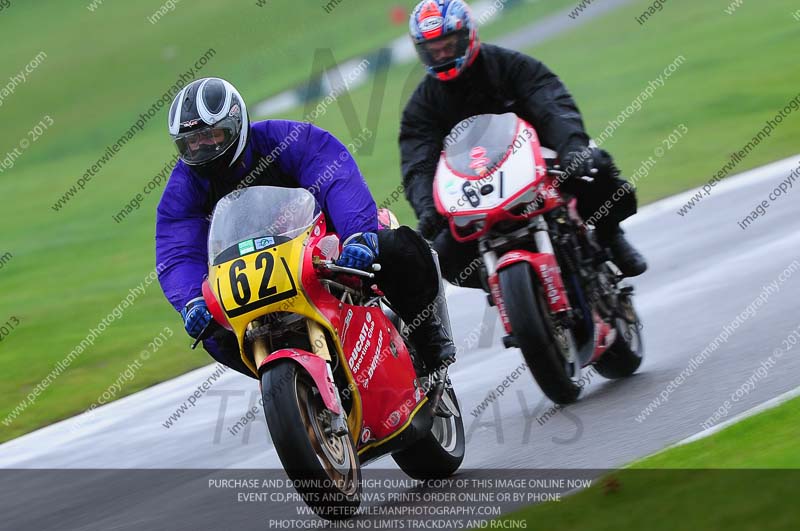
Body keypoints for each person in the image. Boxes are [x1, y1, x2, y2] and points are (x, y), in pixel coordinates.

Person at [156, 77, 455, 378]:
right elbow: (177, 247)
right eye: (190, 143)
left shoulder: (283, 139)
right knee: (211, 333)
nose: (201, 149)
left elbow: (335, 175)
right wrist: (192, 300)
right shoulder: (184, 185)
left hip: (322, 244)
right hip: (249, 272)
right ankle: (285, 382)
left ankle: (427, 334)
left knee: (397, 247)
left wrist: (358, 237)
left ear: (236, 125)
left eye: (211, 136)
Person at [400, 0, 648, 288]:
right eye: (433, 49)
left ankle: (610, 235)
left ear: (468, 35)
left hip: (539, 159)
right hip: (475, 184)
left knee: (597, 170)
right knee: (443, 250)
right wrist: (427, 207)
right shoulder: (421, 105)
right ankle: (501, 286)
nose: (442, 53)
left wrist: (572, 149)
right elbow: (418, 160)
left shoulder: (510, 65)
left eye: (449, 44)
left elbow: (552, 105)